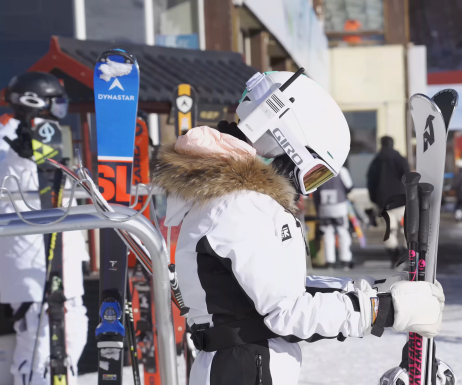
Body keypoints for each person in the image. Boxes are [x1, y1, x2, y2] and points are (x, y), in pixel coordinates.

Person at [153, 71, 446, 384]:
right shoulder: (241, 203)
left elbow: (283, 289)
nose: (307, 191)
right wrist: (383, 310)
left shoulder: (231, 198)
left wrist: (377, 291)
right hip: (247, 367)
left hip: (244, 365)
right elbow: (288, 312)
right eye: (313, 175)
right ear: (283, 143)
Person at [0, 72, 89, 384]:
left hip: (62, 254)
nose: (61, 107)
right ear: (33, 100)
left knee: (73, 335)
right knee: (39, 344)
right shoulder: (3, 130)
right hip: (30, 259)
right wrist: (19, 158)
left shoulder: (53, 132)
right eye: (56, 100)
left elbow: (61, 187)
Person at [366, 136, 411, 266]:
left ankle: (394, 253)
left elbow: (371, 182)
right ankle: (404, 252)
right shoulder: (400, 159)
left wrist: (374, 199)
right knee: (405, 229)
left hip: (384, 202)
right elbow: (408, 177)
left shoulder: (376, 161)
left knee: (389, 230)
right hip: (402, 200)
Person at [313, 166, 354, 270]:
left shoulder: (319, 169)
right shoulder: (341, 170)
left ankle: (330, 261)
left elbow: (314, 190)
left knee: (327, 233)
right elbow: (349, 187)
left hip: (324, 206)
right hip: (339, 206)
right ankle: (345, 260)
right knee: (342, 232)